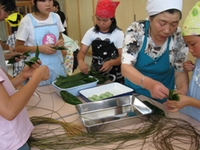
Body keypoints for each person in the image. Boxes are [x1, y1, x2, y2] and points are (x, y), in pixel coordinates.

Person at [0, 1, 50, 150]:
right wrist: (35, 78)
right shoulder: (28, 20)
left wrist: (22, 77)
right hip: (9, 141)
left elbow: (4, 92)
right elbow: (8, 110)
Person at [121, 0, 189, 103]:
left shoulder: (178, 36)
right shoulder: (137, 30)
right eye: (162, 23)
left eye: (174, 24)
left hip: (165, 99)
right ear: (150, 18)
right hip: (135, 96)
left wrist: (182, 91)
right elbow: (126, 67)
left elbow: (179, 71)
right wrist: (149, 84)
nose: (167, 30)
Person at [15, 0, 67, 86]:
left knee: (60, 93)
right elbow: (18, 47)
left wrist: (60, 42)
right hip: (38, 68)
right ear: (33, 2)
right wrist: (39, 49)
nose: (48, 4)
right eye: (42, 1)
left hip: (57, 65)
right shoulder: (27, 20)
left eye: (50, 0)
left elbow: (60, 37)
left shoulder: (56, 17)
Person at [164, 2, 200, 122]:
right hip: (191, 116)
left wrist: (188, 100)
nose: (189, 49)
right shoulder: (198, 57)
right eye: (187, 45)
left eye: (193, 44)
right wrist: (192, 68)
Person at [77, 0, 124, 83]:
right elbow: (82, 52)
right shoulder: (91, 32)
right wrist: (81, 61)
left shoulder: (118, 34)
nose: (101, 23)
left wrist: (111, 63)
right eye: (98, 19)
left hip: (114, 75)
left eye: (105, 20)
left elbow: (122, 57)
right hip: (96, 73)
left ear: (112, 19)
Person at [5, 12, 25, 77]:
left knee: (20, 85)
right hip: (27, 63)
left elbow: (12, 54)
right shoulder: (25, 36)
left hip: (17, 65)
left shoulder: (10, 37)